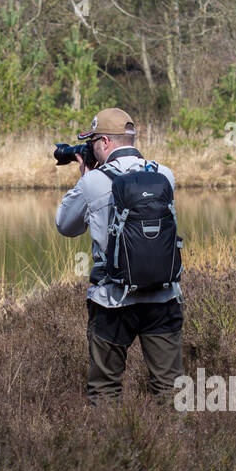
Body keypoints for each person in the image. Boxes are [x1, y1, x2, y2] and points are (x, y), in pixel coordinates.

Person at [55, 107, 184, 405]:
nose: (92, 148)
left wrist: (84, 179)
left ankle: (110, 447)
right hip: (163, 297)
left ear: (106, 143)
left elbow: (65, 226)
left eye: (94, 142)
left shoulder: (93, 182)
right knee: (170, 388)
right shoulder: (165, 174)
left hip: (112, 301)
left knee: (105, 390)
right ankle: (178, 447)